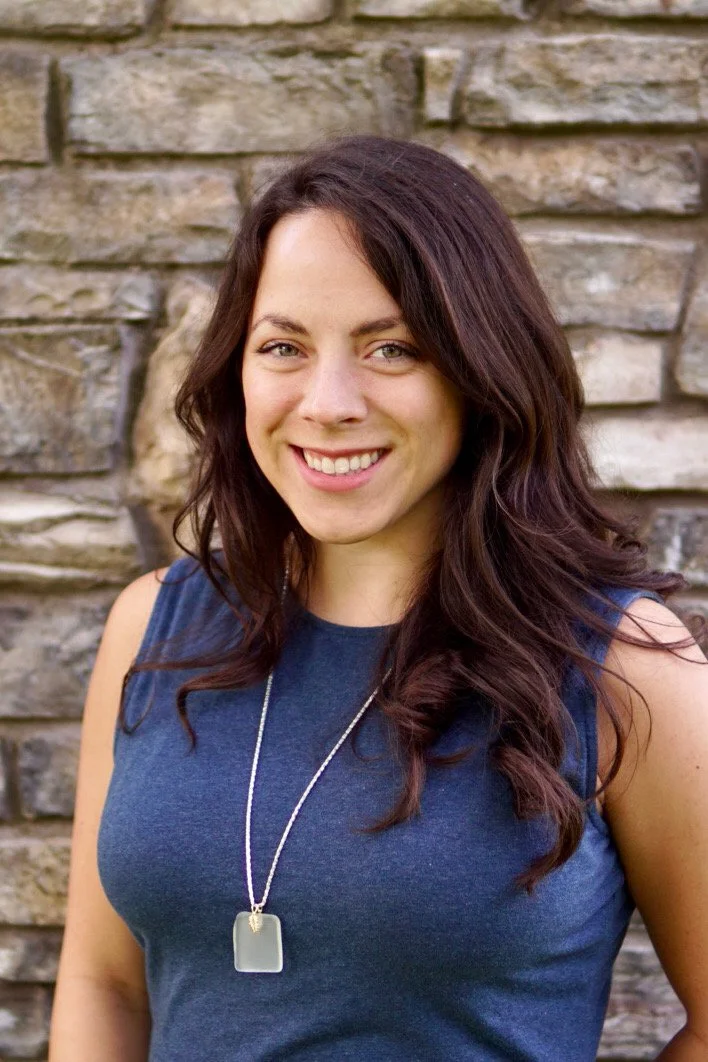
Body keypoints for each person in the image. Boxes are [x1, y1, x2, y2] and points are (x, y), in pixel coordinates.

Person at [49, 135, 708, 1062]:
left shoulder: (623, 664)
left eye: (390, 347)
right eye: (283, 346)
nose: (328, 401)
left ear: (481, 370)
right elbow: (103, 985)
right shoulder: (152, 625)